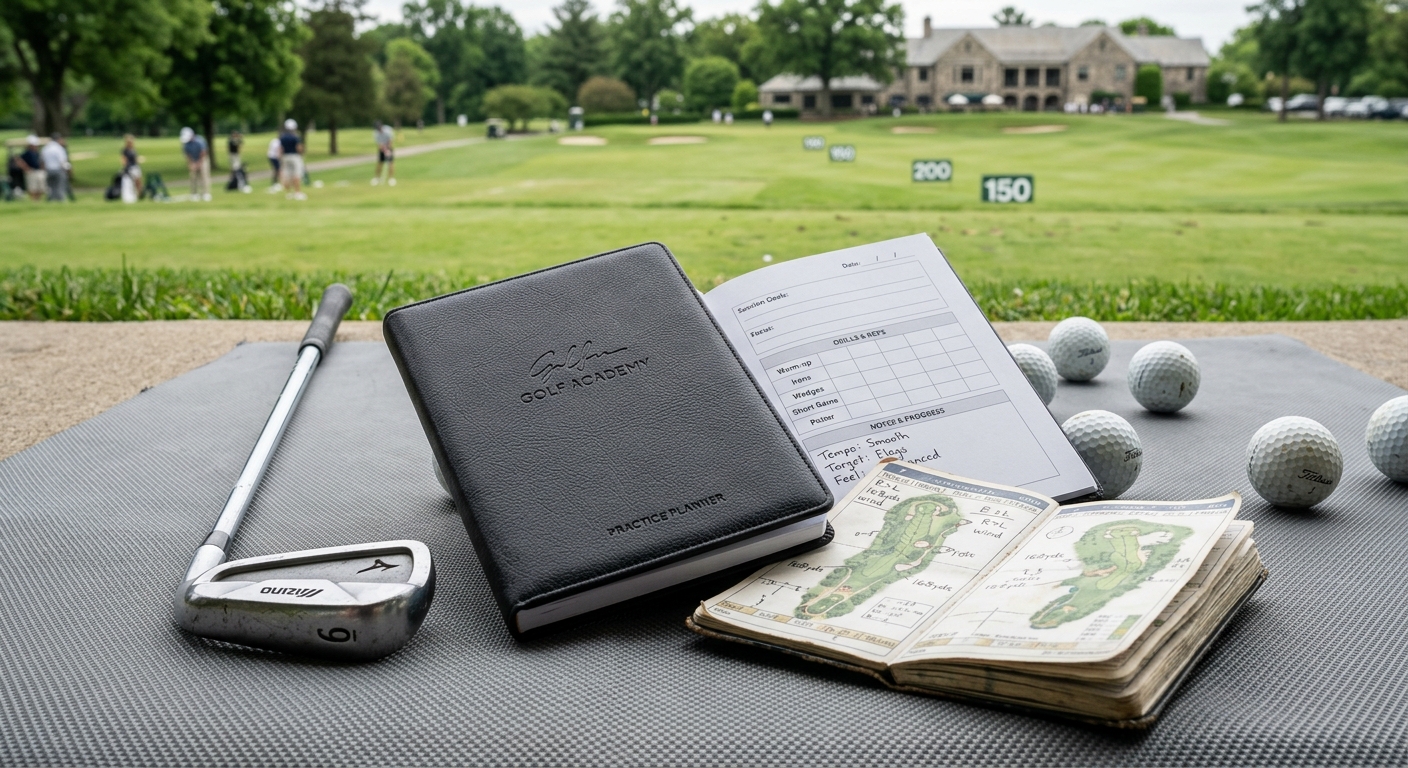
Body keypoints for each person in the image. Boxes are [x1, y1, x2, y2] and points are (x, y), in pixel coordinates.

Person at [180, 127, 211, 201]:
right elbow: (187, 155)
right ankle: (194, 194)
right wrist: (191, 164)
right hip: (193, 160)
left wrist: (199, 163)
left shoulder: (199, 140)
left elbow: (203, 153)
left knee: (204, 176)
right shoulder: (186, 144)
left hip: (203, 159)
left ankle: (205, 193)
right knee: (193, 177)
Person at [277, 118, 305, 200]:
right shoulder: (295, 137)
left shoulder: (282, 137)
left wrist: (280, 157)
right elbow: (298, 148)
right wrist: (301, 153)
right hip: (294, 156)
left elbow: (280, 149)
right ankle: (297, 192)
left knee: (287, 175)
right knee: (296, 174)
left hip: (285, 157)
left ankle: (288, 193)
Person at [41, 133, 70, 202]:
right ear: (59, 139)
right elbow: (62, 161)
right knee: (60, 186)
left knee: (51, 187)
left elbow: (42, 161)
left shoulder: (45, 148)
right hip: (58, 170)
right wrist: (68, 170)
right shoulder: (59, 148)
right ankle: (60, 200)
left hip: (48, 170)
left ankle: (51, 200)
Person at [19, 135, 44, 201]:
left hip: (38, 171)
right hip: (31, 171)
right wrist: (27, 169)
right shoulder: (26, 153)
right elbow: (20, 161)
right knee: (32, 188)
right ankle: (34, 200)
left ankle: (38, 200)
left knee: (40, 187)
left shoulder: (37, 153)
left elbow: (41, 162)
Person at [372, 120, 395, 186]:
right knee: (379, 163)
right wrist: (384, 150)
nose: (378, 129)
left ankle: (391, 179)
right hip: (382, 149)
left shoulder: (388, 130)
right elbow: (379, 144)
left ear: (381, 126)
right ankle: (377, 178)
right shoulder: (375, 133)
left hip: (389, 148)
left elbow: (390, 140)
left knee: (390, 163)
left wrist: (388, 150)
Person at [119, 134, 141, 204]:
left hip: (135, 167)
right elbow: (123, 161)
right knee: (131, 181)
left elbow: (135, 159)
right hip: (130, 168)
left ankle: (138, 195)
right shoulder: (125, 150)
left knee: (138, 181)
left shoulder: (133, 150)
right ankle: (131, 196)